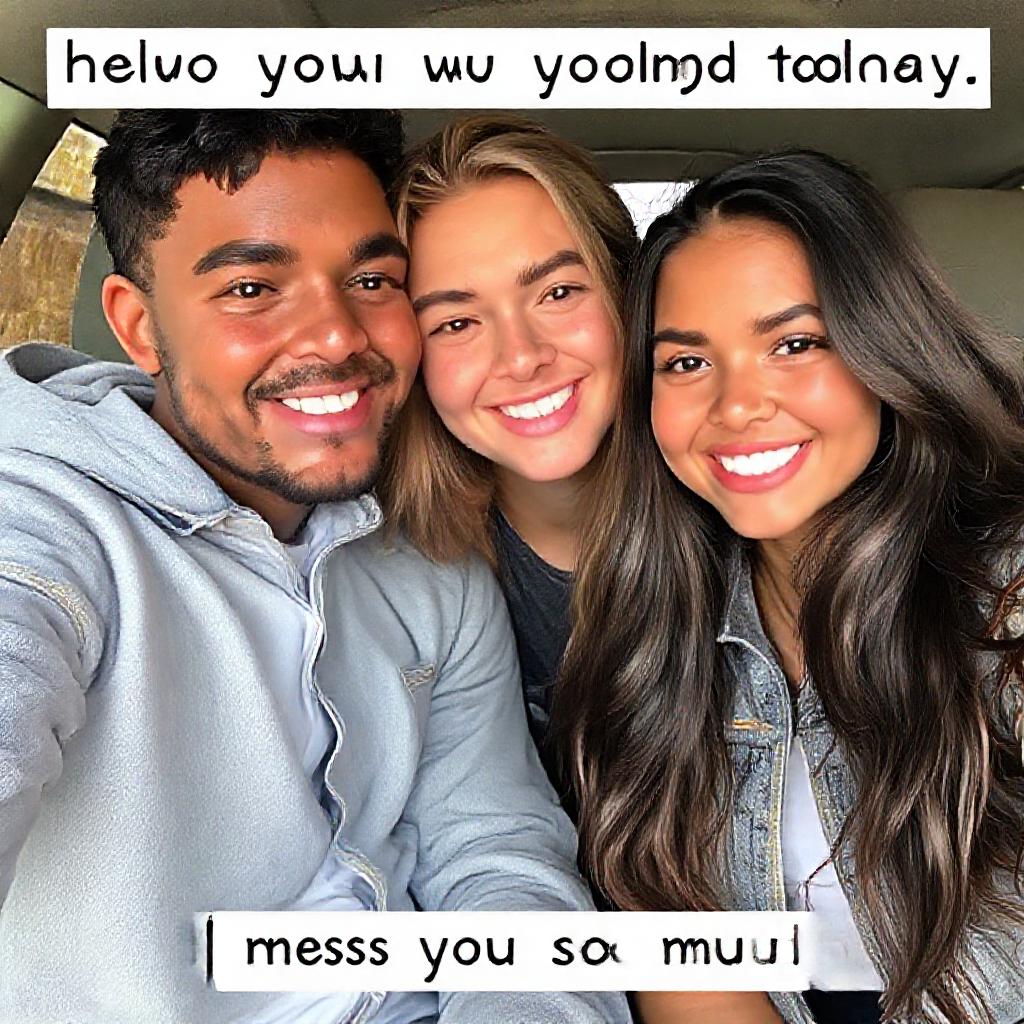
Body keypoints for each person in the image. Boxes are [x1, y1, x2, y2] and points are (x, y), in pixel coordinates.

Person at [0, 109, 631, 1024]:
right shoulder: (44, 523)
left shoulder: (428, 560)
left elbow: (496, 853)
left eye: (370, 280)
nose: (336, 336)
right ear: (139, 326)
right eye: (253, 288)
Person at [555, 151, 1024, 1024]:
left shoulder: (1005, 591)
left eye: (796, 344)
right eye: (685, 363)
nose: (737, 406)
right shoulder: (646, 632)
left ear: (887, 345)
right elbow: (678, 945)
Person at [377, 114, 637, 769]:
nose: (521, 357)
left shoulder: (751, 527)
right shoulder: (387, 584)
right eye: (457, 323)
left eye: (558, 292)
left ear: (627, 293)